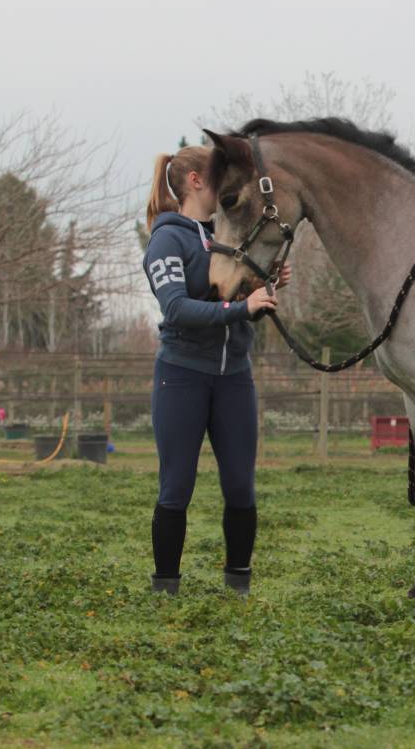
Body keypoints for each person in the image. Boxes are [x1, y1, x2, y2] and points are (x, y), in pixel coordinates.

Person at [142, 144, 290, 597]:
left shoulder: (225, 237)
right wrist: (241, 308)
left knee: (241, 488)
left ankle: (237, 587)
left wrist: (263, 288)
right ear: (195, 181)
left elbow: (234, 303)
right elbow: (177, 308)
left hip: (234, 379)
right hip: (181, 377)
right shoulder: (167, 240)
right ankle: (166, 589)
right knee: (176, 487)